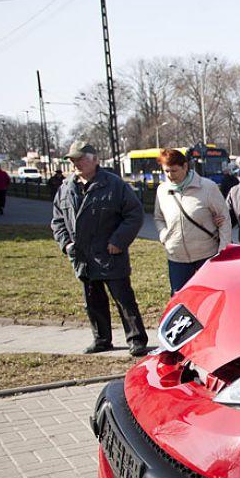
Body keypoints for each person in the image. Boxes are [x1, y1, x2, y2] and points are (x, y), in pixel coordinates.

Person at [50, 141, 150, 356]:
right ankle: (102, 339)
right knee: (93, 301)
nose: (76, 163)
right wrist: (66, 244)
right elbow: (58, 220)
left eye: (80, 158)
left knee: (123, 300)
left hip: (110, 253)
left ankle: (136, 339)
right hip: (82, 256)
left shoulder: (114, 185)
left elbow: (134, 214)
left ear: (95, 159)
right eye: (73, 160)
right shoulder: (66, 188)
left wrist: (118, 241)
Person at [153, 148, 231, 294]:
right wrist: (164, 235)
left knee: (210, 296)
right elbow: (158, 217)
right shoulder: (162, 190)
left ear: (185, 166)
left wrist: (223, 250)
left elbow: (224, 218)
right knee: (180, 298)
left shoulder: (207, 187)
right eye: (166, 171)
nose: (169, 176)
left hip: (206, 255)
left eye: (174, 171)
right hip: (177, 256)